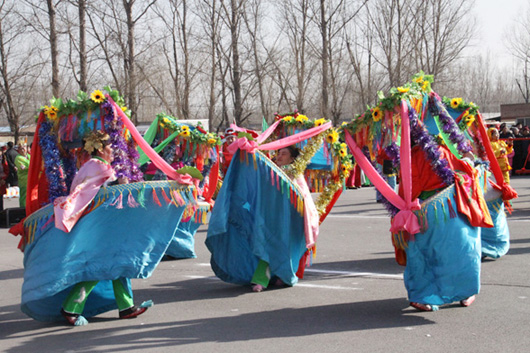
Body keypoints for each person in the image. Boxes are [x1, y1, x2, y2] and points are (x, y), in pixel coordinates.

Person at [56, 131, 149, 325]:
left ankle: (126, 307)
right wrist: (119, 184)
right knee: (100, 267)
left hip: (106, 224)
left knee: (118, 263)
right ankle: (71, 307)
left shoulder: (96, 166)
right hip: (99, 226)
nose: (112, 150)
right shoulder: (95, 166)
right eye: (109, 147)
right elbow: (93, 195)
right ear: (99, 149)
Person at [396, 143, 489, 312]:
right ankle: (463, 292)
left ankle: (425, 296)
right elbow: (464, 170)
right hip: (447, 207)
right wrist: (469, 160)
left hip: (423, 211)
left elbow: (406, 188)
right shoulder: (439, 150)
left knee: (424, 255)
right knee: (461, 251)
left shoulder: (410, 155)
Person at [250, 145, 319, 292]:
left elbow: (302, 197)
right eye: (278, 153)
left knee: (287, 248)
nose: (279, 156)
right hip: (274, 217)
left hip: (291, 219)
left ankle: (283, 275)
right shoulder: (273, 171)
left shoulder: (296, 174)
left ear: (292, 159)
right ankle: (261, 279)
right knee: (267, 245)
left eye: (283, 154)